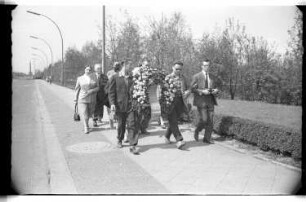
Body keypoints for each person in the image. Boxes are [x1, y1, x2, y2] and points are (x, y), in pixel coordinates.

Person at [108, 59, 140, 154]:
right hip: (119, 105)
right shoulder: (114, 77)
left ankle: (132, 145)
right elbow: (111, 92)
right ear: (123, 66)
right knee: (121, 125)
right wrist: (112, 104)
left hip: (131, 105)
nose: (129, 67)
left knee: (132, 124)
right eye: (128, 65)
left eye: (131, 66)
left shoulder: (132, 78)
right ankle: (119, 139)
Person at [190, 59, 219, 144]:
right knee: (204, 120)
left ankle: (207, 138)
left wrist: (216, 90)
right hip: (201, 101)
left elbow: (217, 87)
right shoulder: (196, 76)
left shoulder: (213, 76)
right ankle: (197, 130)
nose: (207, 67)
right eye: (205, 65)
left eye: (208, 65)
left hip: (210, 100)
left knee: (210, 120)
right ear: (202, 66)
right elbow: (192, 89)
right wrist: (202, 91)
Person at [164, 61, 190, 149]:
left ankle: (167, 136)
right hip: (170, 101)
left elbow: (188, 88)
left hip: (180, 101)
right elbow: (162, 90)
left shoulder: (183, 78)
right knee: (173, 120)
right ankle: (179, 140)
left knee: (174, 120)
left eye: (180, 69)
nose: (178, 71)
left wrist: (187, 92)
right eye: (177, 69)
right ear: (172, 67)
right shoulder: (168, 77)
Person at [75, 66, 99, 134]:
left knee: (89, 113)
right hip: (83, 98)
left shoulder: (95, 78)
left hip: (92, 99)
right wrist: (75, 99)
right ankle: (86, 126)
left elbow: (98, 87)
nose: (88, 71)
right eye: (87, 69)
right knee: (84, 112)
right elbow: (76, 89)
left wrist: (92, 90)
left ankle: (86, 123)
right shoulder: (80, 78)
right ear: (84, 70)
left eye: (90, 70)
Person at [105, 62, 122, 129]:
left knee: (117, 111)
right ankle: (111, 124)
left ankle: (118, 124)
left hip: (117, 93)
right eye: (115, 65)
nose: (116, 66)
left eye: (117, 65)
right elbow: (108, 81)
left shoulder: (121, 73)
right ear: (113, 66)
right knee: (111, 111)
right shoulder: (109, 72)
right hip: (110, 92)